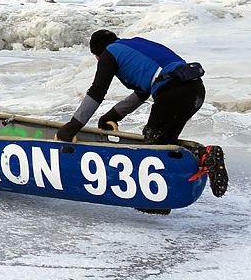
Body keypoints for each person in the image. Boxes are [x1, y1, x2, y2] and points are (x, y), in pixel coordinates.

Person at [55, 30, 228, 202]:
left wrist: (72, 127)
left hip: (175, 91)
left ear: (97, 54)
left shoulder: (109, 53)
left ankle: (202, 155)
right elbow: (143, 91)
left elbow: (97, 92)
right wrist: (114, 115)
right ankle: (176, 185)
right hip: (194, 89)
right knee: (162, 142)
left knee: (154, 146)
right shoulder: (133, 45)